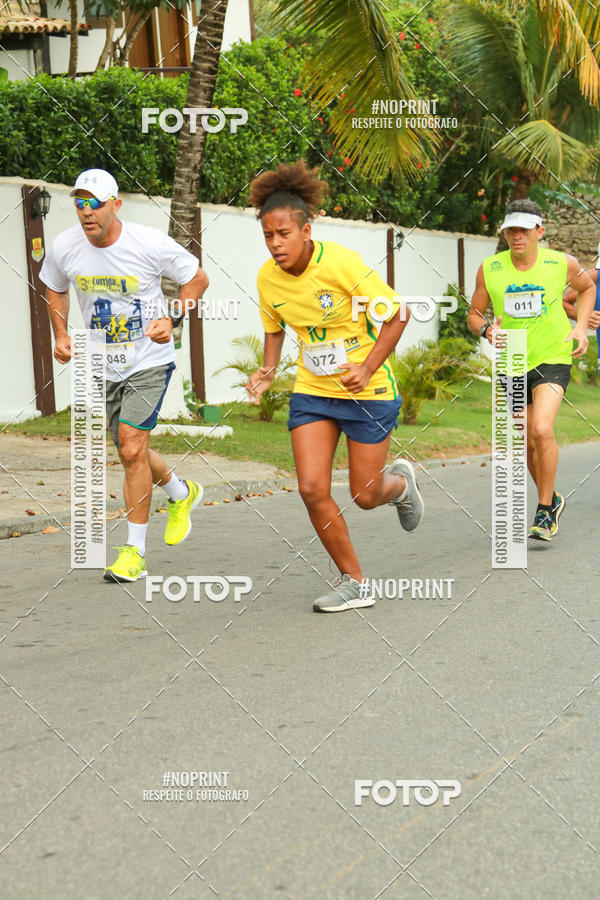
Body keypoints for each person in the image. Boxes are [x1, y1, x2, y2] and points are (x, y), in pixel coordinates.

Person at [245, 161, 424, 613]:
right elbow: (275, 328)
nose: (275, 243)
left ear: (306, 230)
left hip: (368, 392)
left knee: (364, 495)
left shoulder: (340, 263)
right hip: (313, 391)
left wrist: (365, 367)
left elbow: (397, 314)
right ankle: (354, 582)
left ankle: (399, 486)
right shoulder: (268, 278)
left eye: (283, 233)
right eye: (268, 235)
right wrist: (268, 370)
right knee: (311, 487)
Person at [41, 168, 209, 582]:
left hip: (149, 359)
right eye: (79, 202)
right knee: (128, 446)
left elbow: (196, 278)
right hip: (103, 362)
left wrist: (172, 317)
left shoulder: (147, 243)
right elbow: (55, 286)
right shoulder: (65, 246)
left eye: (95, 202)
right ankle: (180, 492)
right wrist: (61, 333)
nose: (86, 211)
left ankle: (134, 551)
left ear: (116, 204)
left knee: (132, 447)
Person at [468, 199, 595, 542]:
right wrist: (487, 329)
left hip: (552, 355)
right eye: (511, 229)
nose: (517, 235)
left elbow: (587, 289)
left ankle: (543, 511)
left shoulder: (561, 263)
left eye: (524, 229)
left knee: (541, 429)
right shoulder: (490, 269)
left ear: (540, 231)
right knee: (526, 440)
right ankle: (552, 499)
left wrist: (580, 327)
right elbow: (474, 313)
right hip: (513, 361)